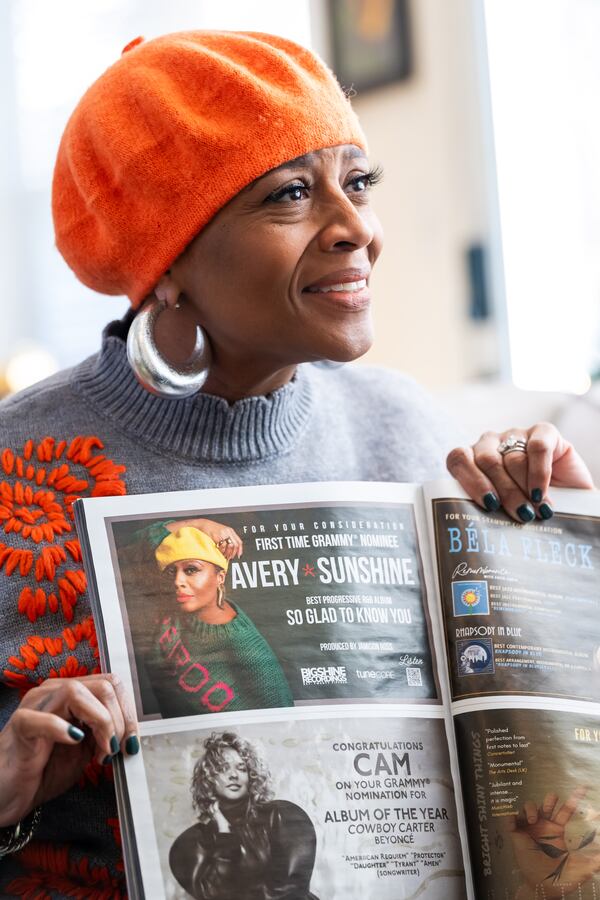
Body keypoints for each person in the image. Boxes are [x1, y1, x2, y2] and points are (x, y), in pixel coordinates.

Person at [0, 29, 594, 898]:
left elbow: (540, 779)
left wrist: (566, 566)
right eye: (290, 195)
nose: (357, 230)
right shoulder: (20, 467)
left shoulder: (403, 428)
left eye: (358, 183)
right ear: (168, 265)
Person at [143, 525, 293, 716]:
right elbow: (137, 540)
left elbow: (284, 722)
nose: (177, 581)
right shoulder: (173, 610)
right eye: (172, 572)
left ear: (220, 577)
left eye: (191, 570)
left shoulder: (245, 646)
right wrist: (201, 523)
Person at [169, 732, 319, 900]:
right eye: (223, 768)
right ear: (209, 778)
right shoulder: (189, 844)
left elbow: (291, 890)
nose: (234, 775)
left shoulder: (282, 816)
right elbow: (214, 896)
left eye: (241, 768)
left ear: (251, 775)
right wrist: (224, 834)